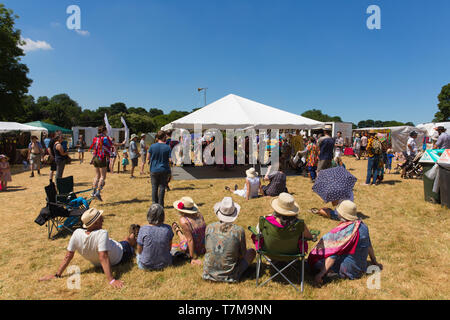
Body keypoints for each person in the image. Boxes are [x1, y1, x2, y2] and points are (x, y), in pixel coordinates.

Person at [39, 208, 140, 288]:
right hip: (122, 254)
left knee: (118, 242)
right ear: (95, 222)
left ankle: (133, 234)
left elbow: (68, 256)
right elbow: (103, 256)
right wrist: (111, 280)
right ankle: (134, 234)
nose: (103, 219)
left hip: (108, 251)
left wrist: (57, 274)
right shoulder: (102, 233)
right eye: (101, 218)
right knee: (127, 242)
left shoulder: (77, 233)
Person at [308, 201, 382, 285]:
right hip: (361, 268)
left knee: (316, 262)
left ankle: (331, 274)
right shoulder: (363, 226)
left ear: (342, 215)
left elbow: (333, 254)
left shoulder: (343, 232)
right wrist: (375, 262)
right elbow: (368, 246)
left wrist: (320, 274)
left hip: (348, 269)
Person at [202, 197, 256, 283]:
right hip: (230, 275)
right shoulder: (239, 231)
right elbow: (243, 254)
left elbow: (207, 248)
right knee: (252, 252)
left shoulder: (209, 227)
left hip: (208, 273)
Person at [136, 204, 174, 270]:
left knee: (138, 256)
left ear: (148, 214)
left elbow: (139, 250)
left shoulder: (143, 229)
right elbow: (169, 248)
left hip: (145, 265)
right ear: (163, 216)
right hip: (166, 263)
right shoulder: (168, 228)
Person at [171, 196, 206, 266]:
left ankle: (177, 231)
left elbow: (190, 240)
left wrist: (192, 257)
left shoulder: (184, 221)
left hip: (195, 249)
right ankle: (178, 230)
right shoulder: (200, 215)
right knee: (186, 235)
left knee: (184, 238)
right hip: (203, 246)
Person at [89, 126, 113, 201]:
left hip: (95, 158)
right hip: (101, 158)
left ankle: (93, 192)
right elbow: (111, 144)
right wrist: (122, 143)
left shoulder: (96, 138)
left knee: (97, 176)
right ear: (104, 131)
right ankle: (98, 192)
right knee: (103, 176)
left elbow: (94, 149)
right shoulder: (104, 138)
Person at [148, 131, 172, 207]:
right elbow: (170, 160)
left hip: (154, 169)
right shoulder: (167, 147)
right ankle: (161, 204)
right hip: (164, 169)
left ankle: (154, 204)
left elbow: (148, 158)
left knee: (154, 187)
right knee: (162, 187)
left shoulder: (152, 146)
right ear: (164, 137)